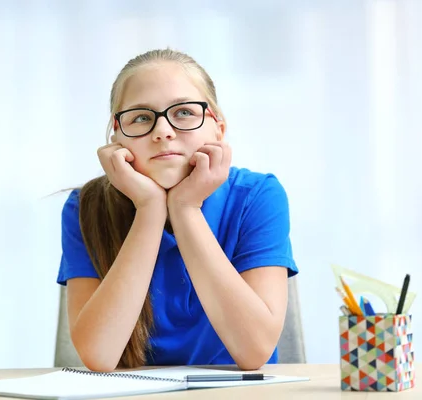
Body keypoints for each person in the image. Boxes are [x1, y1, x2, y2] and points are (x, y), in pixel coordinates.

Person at [57, 48, 298, 372]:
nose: (163, 131)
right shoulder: (83, 207)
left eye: (184, 112)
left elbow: (254, 351)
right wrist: (149, 208)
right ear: (116, 136)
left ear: (218, 128)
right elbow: (99, 356)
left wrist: (185, 208)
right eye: (141, 117)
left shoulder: (257, 196)